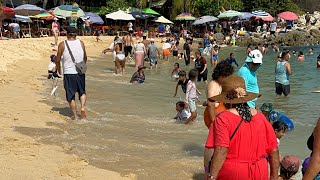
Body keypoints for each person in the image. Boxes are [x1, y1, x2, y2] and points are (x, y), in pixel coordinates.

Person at [206, 75, 279, 180]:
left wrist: (212, 176)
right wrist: (273, 177)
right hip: (260, 171)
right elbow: (274, 150)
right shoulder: (260, 117)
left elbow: (221, 150)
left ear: (226, 100)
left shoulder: (223, 119)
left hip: (233, 173)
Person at [55, 26, 88, 121]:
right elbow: (85, 57)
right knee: (82, 91)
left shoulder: (62, 44)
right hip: (80, 72)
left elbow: (57, 59)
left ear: (67, 34)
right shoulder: (81, 43)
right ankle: (82, 107)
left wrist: (59, 70)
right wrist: (82, 66)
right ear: (76, 34)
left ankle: (75, 116)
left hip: (69, 73)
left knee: (71, 95)